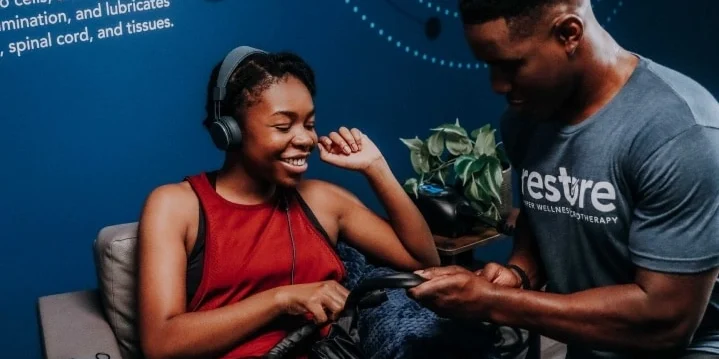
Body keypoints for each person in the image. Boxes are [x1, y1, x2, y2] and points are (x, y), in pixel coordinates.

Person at [408, 0, 719, 358]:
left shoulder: (680, 133)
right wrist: (520, 271)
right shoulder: (525, 119)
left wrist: (496, 302)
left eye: (510, 65)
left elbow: (667, 322)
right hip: (591, 344)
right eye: (489, 67)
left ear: (569, 34)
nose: (496, 85)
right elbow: (543, 213)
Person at [136, 46, 440, 359]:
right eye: (283, 126)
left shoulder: (322, 200)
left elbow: (423, 261)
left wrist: (375, 167)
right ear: (231, 131)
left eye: (309, 124)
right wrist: (281, 299)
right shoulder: (175, 206)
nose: (307, 139)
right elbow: (160, 343)